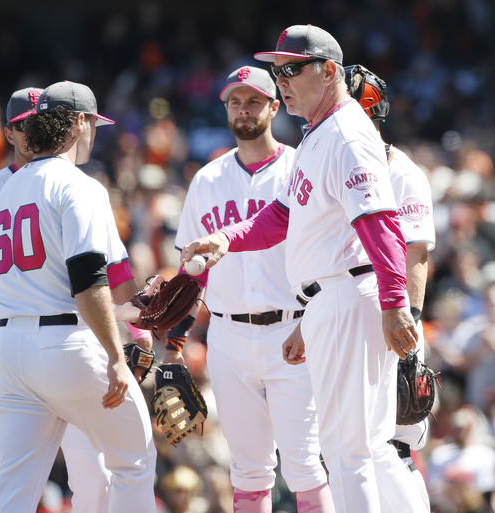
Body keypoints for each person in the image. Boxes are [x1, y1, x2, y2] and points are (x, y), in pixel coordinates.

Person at [180, 25, 425, 513]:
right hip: (331, 297)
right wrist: (227, 237)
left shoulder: (346, 134)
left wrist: (397, 303)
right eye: (278, 71)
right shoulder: (319, 132)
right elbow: (281, 215)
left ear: (329, 71)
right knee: (368, 447)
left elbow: (380, 222)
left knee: (346, 451)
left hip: (348, 293)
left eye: (292, 70)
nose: (283, 80)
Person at [0, 87, 155, 512]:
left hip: (6, 350)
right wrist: (117, 352)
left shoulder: (6, 190)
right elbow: (89, 282)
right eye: (93, 124)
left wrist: (136, 328)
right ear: (79, 123)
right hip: (67, 342)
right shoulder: (79, 185)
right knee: (132, 460)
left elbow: (108, 275)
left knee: (10, 492)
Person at [168, 66, 334, 513]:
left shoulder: (300, 166)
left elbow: (327, 252)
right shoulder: (207, 179)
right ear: (225, 108)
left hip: (293, 330)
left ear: (275, 106)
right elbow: (193, 273)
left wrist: (314, 318)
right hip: (228, 335)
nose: (243, 109)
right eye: (235, 102)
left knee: (305, 465)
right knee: (247, 469)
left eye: (254, 101)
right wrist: (175, 345)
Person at [345, 64, 436, 512]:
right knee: (352, 446)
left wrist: (410, 331)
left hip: (393, 318)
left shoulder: (403, 172)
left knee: (390, 444)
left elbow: (415, 253)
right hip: (353, 311)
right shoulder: (338, 163)